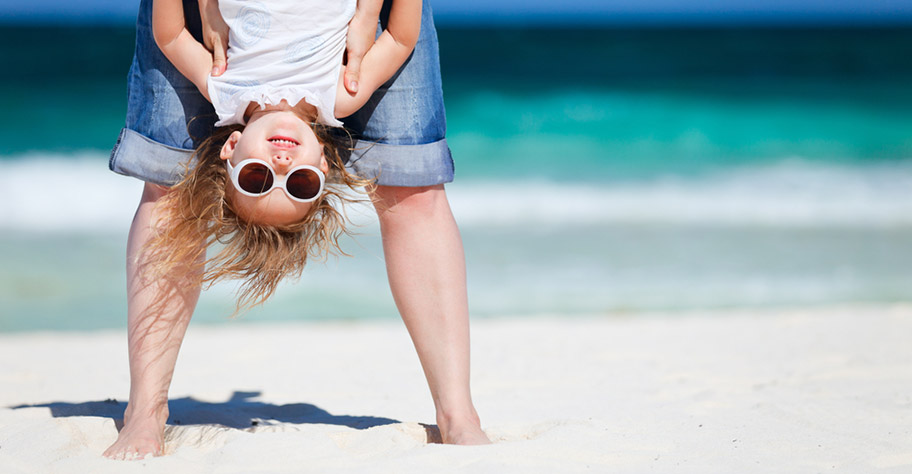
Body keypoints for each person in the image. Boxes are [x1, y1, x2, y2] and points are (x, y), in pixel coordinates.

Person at [103, 0, 490, 460]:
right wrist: (370, 13)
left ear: (230, 146)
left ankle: (456, 413)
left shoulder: (218, 83)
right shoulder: (342, 91)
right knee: (411, 187)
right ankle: (146, 409)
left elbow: (168, 35)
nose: (281, 164)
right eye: (301, 184)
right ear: (325, 165)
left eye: (255, 178)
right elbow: (402, 37)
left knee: (172, 186)